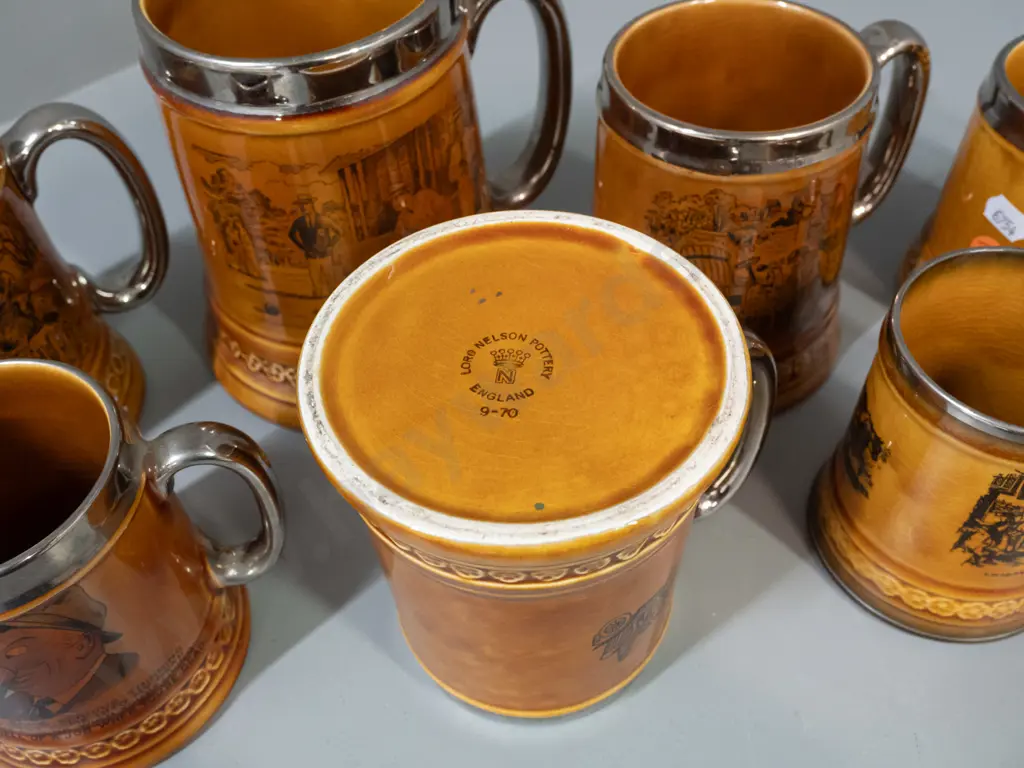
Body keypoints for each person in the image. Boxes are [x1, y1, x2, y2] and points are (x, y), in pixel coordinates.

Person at [0, 586, 138, 721]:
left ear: (82, 645)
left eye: (15, 651)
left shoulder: (128, 686)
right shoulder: (14, 709)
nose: (4, 676)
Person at [288, 194, 341, 297]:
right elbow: (291, 234)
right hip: (311, 258)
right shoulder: (299, 222)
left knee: (331, 284)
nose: (303, 207)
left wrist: (331, 245)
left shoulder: (323, 219)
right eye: (301, 205)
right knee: (316, 285)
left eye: (306, 204)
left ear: (311, 204)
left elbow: (339, 232)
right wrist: (302, 247)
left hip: (325, 257)